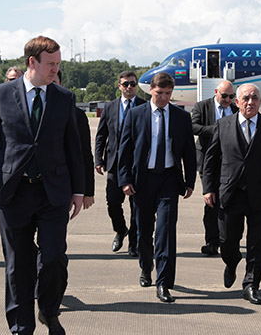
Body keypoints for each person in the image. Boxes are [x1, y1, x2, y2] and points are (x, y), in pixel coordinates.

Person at [0, 36, 84, 334]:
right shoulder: (2, 94)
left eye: (58, 64)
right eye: (51, 64)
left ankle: (48, 310)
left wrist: (79, 190)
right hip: (13, 192)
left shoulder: (64, 97)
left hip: (52, 192)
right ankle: (21, 327)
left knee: (54, 258)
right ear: (32, 62)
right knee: (18, 265)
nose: (55, 69)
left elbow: (74, 147)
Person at [202, 83, 261, 305]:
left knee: (257, 242)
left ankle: (251, 285)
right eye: (246, 98)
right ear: (237, 102)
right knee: (227, 240)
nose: (251, 102)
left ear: (260, 102)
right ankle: (231, 262)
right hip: (230, 193)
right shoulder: (223, 125)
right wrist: (208, 188)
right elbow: (211, 160)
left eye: (255, 98)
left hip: (259, 194)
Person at [117, 72, 196, 303]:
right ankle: (145, 266)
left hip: (169, 180)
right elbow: (125, 150)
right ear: (150, 90)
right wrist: (125, 180)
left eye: (168, 93)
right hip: (142, 181)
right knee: (144, 231)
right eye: (159, 93)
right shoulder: (136, 115)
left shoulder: (181, 117)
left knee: (166, 232)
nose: (163, 98)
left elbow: (189, 153)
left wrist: (189, 181)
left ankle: (163, 282)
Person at [95, 71, 146, 256]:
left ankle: (134, 243)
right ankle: (120, 229)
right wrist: (98, 159)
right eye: (126, 84)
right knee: (113, 203)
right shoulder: (110, 107)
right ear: (119, 86)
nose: (129, 87)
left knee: (137, 207)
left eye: (133, 84)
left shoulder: (144, 106)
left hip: (137, 165)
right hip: (114, 164)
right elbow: (101, 135)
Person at [191, 80, 238, 256]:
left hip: (229, 162)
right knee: (211, 199)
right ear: (216, 92)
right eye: (224, 96)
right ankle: (211, 241)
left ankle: (227, 238)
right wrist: (218, 130)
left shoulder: (235, 109)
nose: (227, 100)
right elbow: (194, 126)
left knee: (228, 200)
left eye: (231, 97)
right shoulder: (202, 106)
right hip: (207, 161)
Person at [55, 70, 95, 209]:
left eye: (53, 83)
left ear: (60, 84)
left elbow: (85, 153)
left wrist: (87, 190)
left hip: (61, 185)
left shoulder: (76, 115)